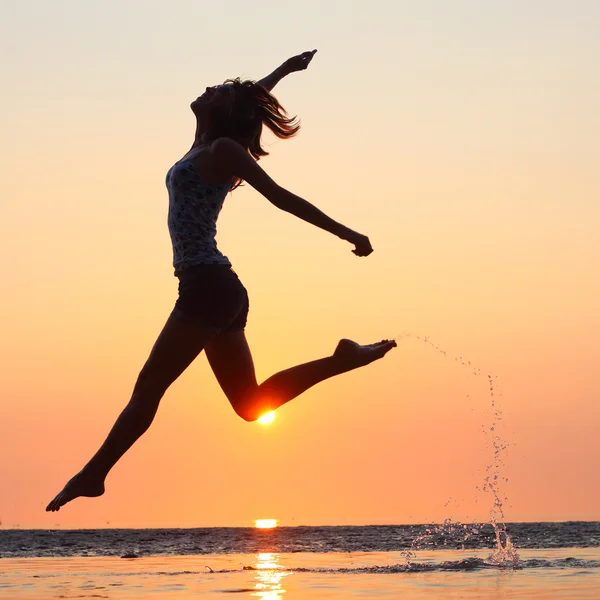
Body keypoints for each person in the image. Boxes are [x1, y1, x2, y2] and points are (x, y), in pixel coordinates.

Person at [46, 51, 396, 513]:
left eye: (219, 90)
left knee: (149, 386)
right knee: (250, 406)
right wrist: (284, 72)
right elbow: (248, 100)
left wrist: (348, 233)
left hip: (208, 287)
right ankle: (342, 360)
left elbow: (281, 198)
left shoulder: (222, 151)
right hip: (217, 288)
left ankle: (94, 475)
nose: (209, 89)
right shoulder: (203, 142)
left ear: (226, 110)